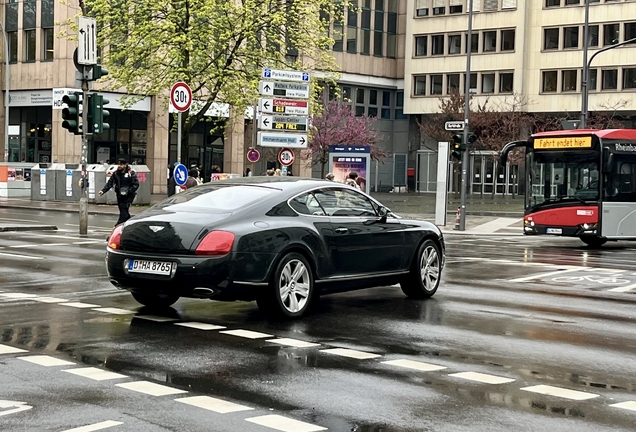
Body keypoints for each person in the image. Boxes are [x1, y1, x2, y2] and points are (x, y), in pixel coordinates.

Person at [99, 158, 139, 226]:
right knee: (123, 211)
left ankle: (118, 225)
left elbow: (136, 184)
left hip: (128, 196)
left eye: (121, 164)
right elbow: (110, 183)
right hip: (119, 195)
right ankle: (129, 224)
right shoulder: (116, 173)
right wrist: (103, 191)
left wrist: (129, 191)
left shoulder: (131, 173)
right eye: (118, 164)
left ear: (125, 165)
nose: (119, 166)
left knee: (124, 210)